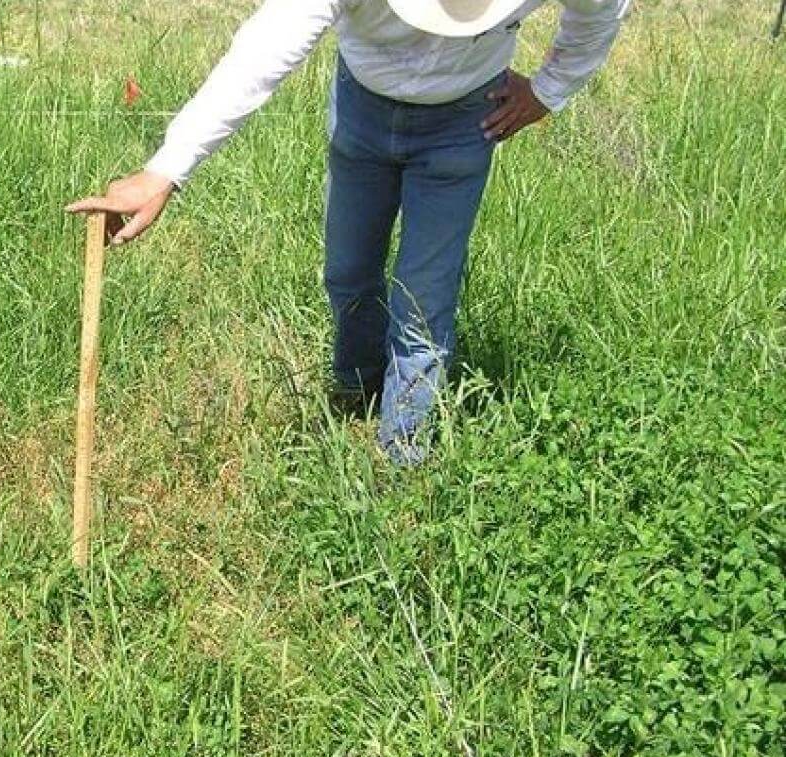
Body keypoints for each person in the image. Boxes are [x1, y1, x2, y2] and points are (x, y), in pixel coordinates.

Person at [67, 0, 629, 464]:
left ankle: (403, 459)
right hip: (363, 112)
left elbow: (602, 11)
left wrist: (547, 90)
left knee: (423, 302)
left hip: (464, 122)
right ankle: (359, 388)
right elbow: (261, 53)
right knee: (348, 272)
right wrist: (165, 170)